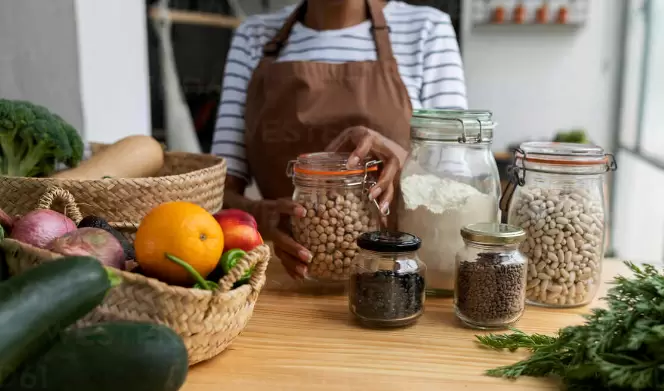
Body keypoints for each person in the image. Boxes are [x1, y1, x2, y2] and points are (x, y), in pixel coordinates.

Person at [212, 0, 468, 279]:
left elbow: (456, 185)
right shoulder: (254, 36)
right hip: (288, 274)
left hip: (401, 274)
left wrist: (399, 155)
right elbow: (215, 191)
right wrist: (260, 215)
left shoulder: (426, 30)